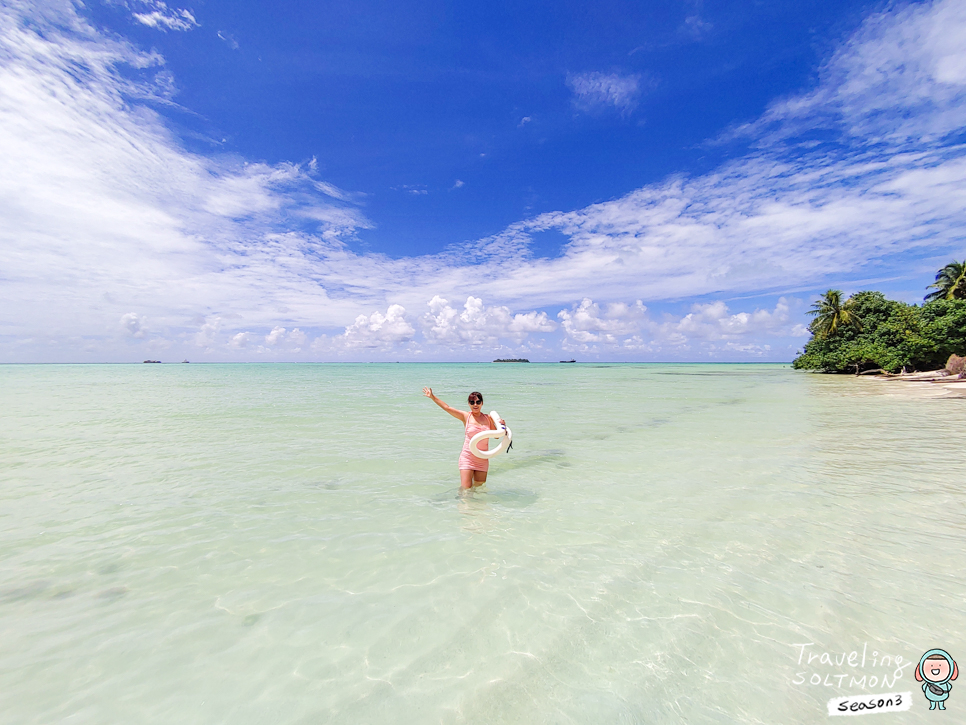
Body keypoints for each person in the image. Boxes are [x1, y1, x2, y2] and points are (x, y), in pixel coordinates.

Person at [423, 387, 506, 490]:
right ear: (468, 404)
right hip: (468, 457)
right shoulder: (466, 416)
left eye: (478, 402)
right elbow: (447, 408)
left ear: (482, 403)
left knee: (480, 490)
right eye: (472, 402)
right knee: (465, 490)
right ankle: (464, 506)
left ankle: (477, 507)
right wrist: (432, 397)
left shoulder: (488, 418)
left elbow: (497, 436)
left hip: (482, 458)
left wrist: (502, 425)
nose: (475, 405)